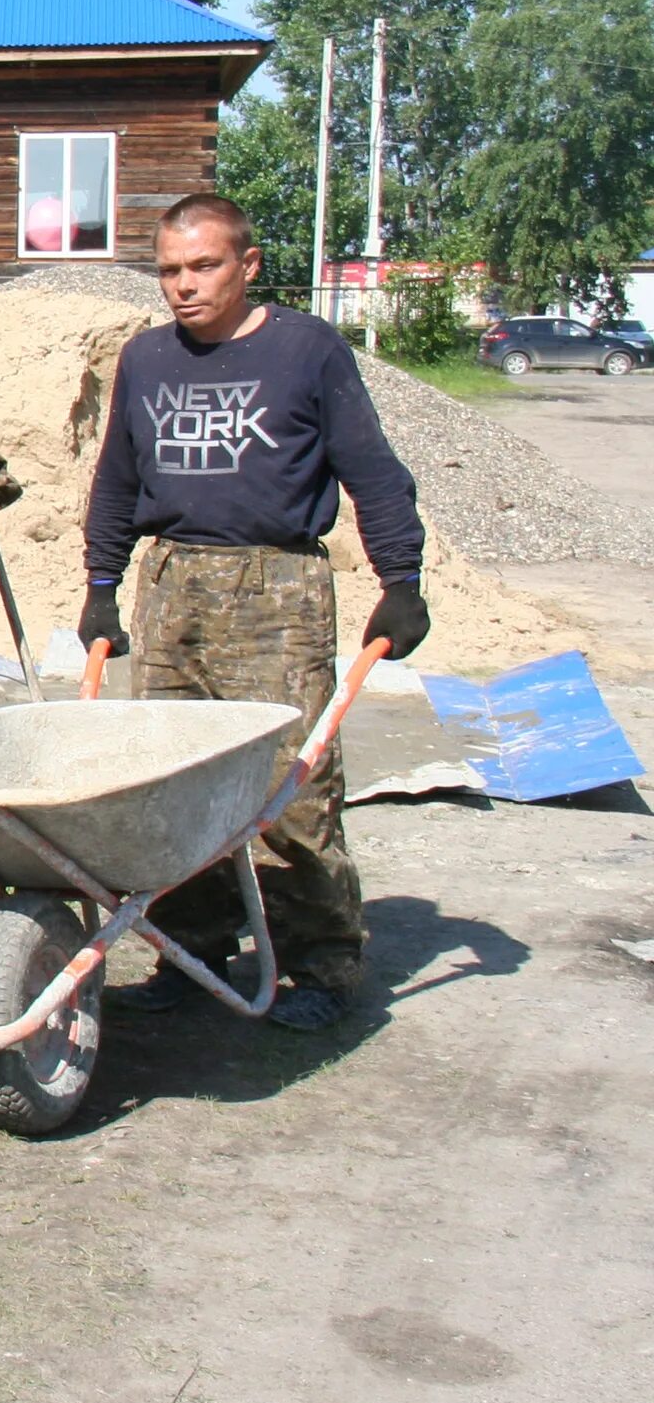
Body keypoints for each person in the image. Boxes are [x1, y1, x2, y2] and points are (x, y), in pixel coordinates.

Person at [81, 193, 430, 1031]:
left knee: (290, 790)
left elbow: (373, 473)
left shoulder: (306, 351)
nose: (184, 286)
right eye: (169, 270)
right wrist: (101, 586)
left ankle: (322, 963)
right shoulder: (148, 359)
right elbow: (118, 479)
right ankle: (190, 945)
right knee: (170, 783)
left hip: (275, 589)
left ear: (249, 265)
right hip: (171, 584)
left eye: (203, 266)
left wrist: (403, 578)